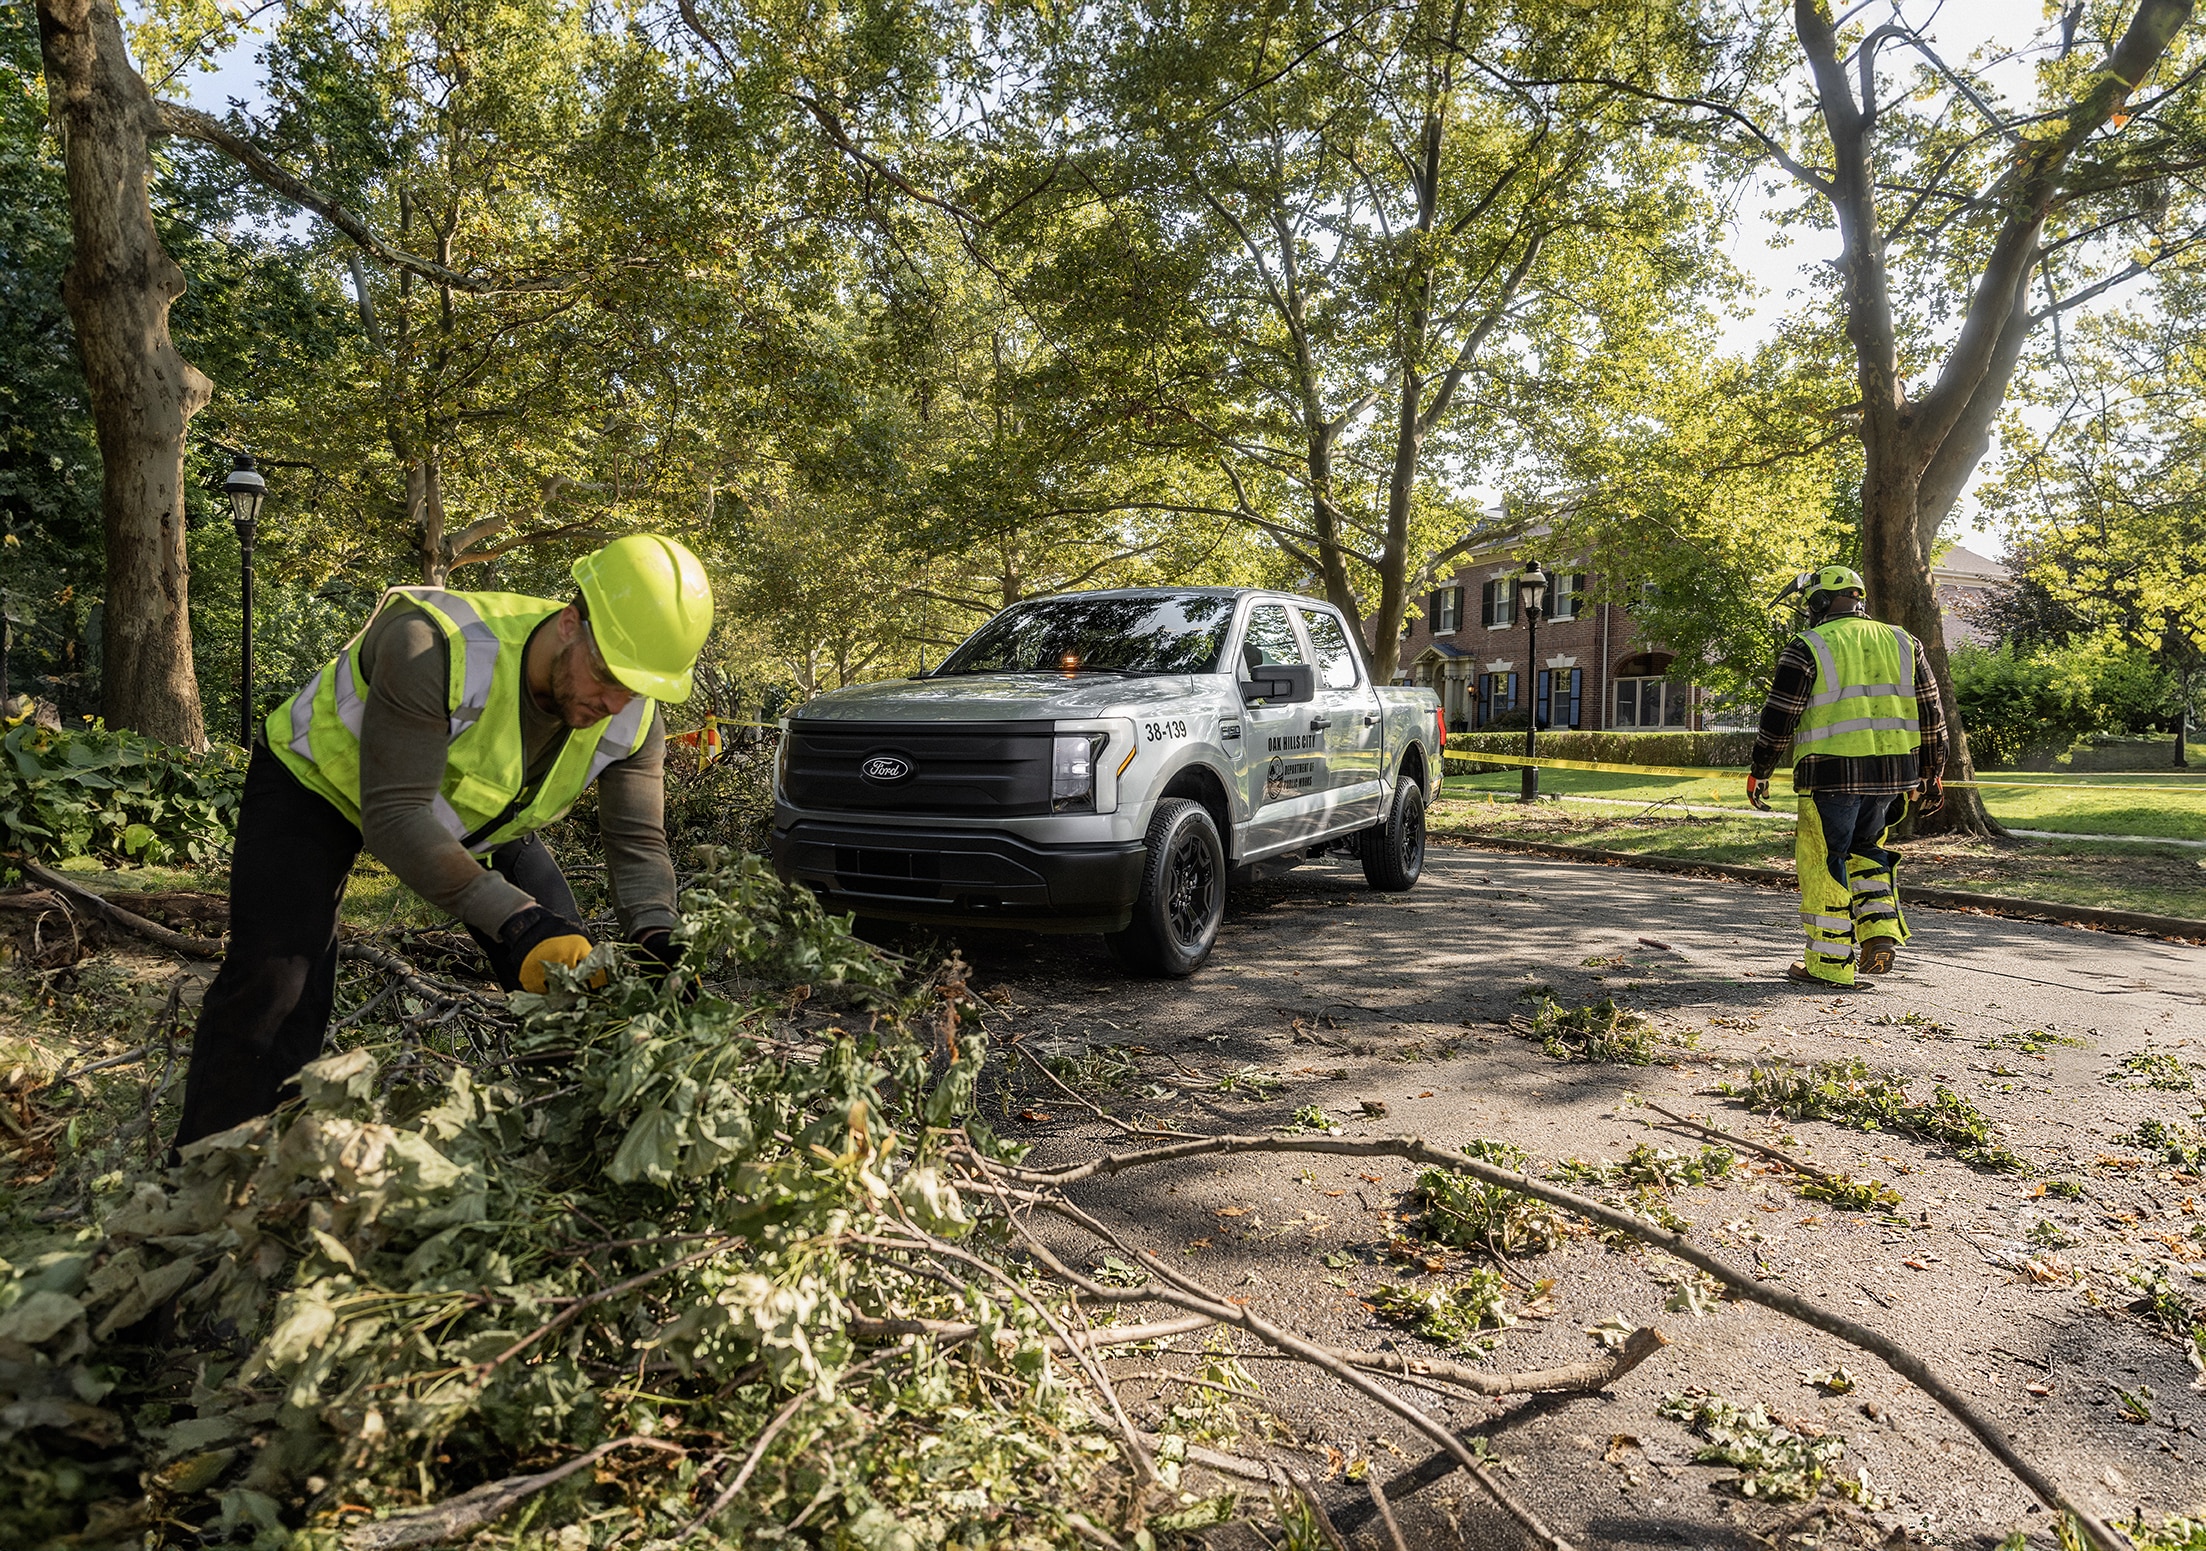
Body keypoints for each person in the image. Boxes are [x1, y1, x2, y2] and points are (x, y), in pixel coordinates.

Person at [173, 534, 713, 1148]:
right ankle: (209, 1168)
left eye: (637, 688)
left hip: (475, 818)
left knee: (571, 974)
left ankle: (571, 1155)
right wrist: (512, 917)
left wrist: (658, 936)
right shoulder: (432, 644)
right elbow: (396, 816)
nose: (615, 703)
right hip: (318, 786)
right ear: (570, 624)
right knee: (280, 981)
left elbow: (639, 844)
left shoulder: (634, 718)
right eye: (609, 675)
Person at [1745, 565, 1948, 990]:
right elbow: (1932, 712)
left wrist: (1760, 771)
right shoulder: (1903, 641)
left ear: (1819, 603)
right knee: (1866, 852)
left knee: (1824, 861)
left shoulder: (1808, 646)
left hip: (1831, 775)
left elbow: (1779, 718)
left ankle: (1829, 964)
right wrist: (1932, 773)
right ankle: (1878, 935)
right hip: (1892, 777)